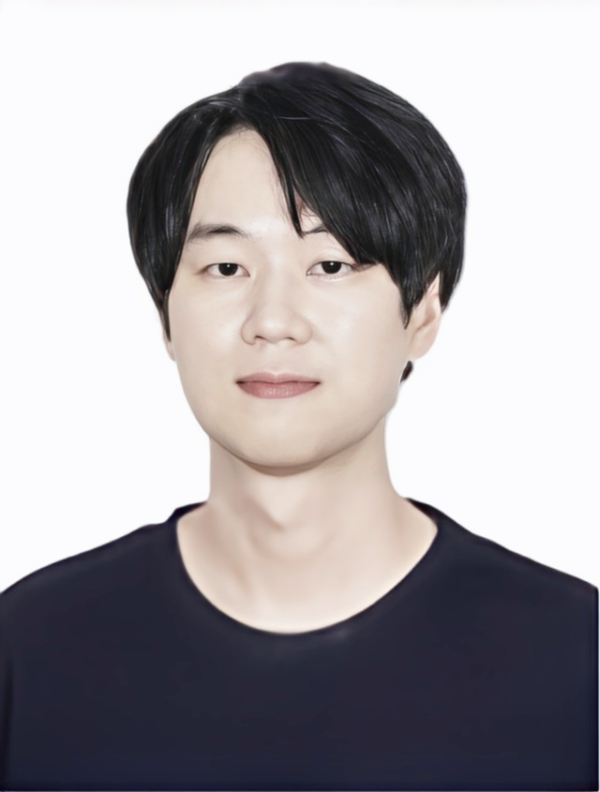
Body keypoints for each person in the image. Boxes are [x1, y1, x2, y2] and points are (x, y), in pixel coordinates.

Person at [0, 62, 597, 791]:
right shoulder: (30, 646)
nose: (273, 321)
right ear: (165, 314)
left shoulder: (575, 657)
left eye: (331, 264)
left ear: (423, 311)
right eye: (226, 268)